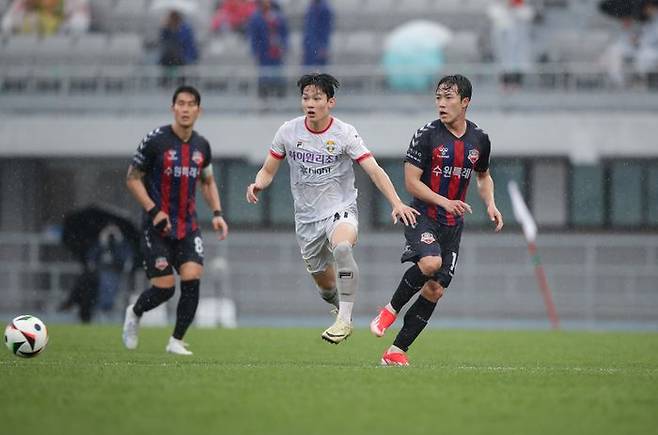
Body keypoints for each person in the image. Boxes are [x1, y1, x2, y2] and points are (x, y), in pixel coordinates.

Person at [246, 73, 419, 344]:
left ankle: (344, 320)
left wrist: (396, 202)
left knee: (342, 248)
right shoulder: (288, 132)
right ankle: (339, 306)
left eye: (317, 98)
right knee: (326, 287)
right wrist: (258, 184)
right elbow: (268, 170)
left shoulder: (344, 133)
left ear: (331, 102)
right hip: (306, 219)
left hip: (340, 209)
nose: (310, 103)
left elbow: (373, 169)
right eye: (306, 98)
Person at [370, 74, 504, 366]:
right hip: (423, 217)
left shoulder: (480, 139)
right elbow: (411, 183)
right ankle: (390, 310)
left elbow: (483, 176)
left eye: (449, 98)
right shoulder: (427, 134)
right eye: (438, 98)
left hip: (452, 227)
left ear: (465, 102)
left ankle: (395, 352)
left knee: (435, 289)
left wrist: (491, 204)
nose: (441, 104)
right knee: (431, 263)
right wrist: (445, 202)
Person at [122, 85, 229, 355]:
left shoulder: (201, 146)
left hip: (188, 226)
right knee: (164, 289)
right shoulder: (155, 140)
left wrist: (217, 214)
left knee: (192, 277)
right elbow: (132, 178)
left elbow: (208, 182)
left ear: (198, 110)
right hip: (156, 227)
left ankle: (176, 341)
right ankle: (134, 313)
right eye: (180, 103)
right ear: (173, 108)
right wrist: (153, 210)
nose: (185, 108)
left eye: (190, 104)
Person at [247, 0, 288, 98]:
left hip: (276, 53)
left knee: (277, 77)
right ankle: (264, 102)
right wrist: (255, 51)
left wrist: (283, 45)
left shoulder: (278, 16)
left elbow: (284, 34)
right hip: (264, 53)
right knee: (264, 78)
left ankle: (279, 99)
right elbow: (254, 36)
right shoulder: (256, 18)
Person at [158, 10, 199, 87]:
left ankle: (180, 84)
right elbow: (162, 40)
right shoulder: (166, 29)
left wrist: (176, 31)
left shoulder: (185, 28)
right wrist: (165, 27)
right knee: (166, 60)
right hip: (169, 56)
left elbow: (187, 43)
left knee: (179, 63)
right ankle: (165, 82)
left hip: (182, 55)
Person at [302, 0, 333, 68]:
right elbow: (308, 29)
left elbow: (325, 30)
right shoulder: (311, 7)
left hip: (318, 47)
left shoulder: (324, 9)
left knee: (319, 72)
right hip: (309, 46)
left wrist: (323, 46)